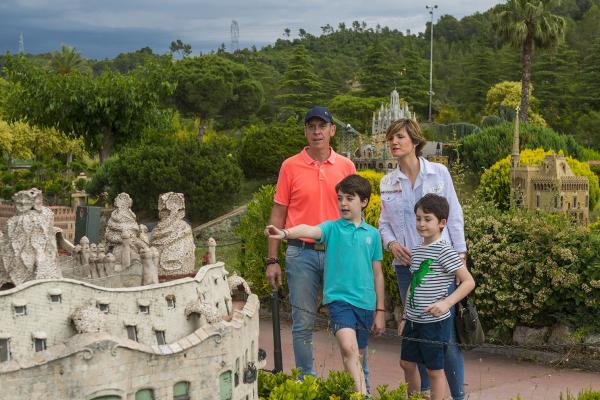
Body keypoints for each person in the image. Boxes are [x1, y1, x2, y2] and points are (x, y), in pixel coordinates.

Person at [266, 174, 385, 395]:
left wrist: (380, 310)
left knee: (356, 355)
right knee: (348, 349)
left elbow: (377, 274)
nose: (343, 203)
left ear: (364, 201)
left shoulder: (374, 235)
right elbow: (309, 230)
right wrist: (285, 233)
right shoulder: (332, 228)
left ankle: (356, 392)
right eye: (340, 198)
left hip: (366, 304)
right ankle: (363, 396)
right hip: (339, 301)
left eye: (350, 198)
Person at [378, 118, 468, 400]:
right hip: (407, 267)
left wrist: (461, 253)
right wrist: (391, 243)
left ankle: (457, 396)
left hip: (441, 265)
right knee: (416, 331)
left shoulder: (438, 173)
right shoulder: (387, 182)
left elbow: (454, 214)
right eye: (390, 138)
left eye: (400, 137)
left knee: (444, 336)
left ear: (415, 141)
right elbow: (384, 223)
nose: (394, 142)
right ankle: (427, 393)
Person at [265, 106, 357, 379]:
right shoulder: (290, 166)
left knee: (346, 321)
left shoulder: (346, 166)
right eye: (311, 126)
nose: (317, 132)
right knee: (302, 322)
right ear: (305, 131)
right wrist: (272, 260)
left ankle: (355, 382)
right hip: (300, 253)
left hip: (337, 254)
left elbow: (354, 215)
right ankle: (308, 380)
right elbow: (278, 213)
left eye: (322, 126)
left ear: (332, 130)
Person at [399, 194, 475, 400]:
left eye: (427, 219)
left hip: (434, 323)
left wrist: (447, 303)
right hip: (413, 321)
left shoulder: (445, 250)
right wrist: (405, 317)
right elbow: (413, 286)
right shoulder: (417, 251)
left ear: (442, 223)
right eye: (418, 218)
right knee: (406, 363)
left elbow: (468, 281)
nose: (421, 224)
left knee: (434, 370)